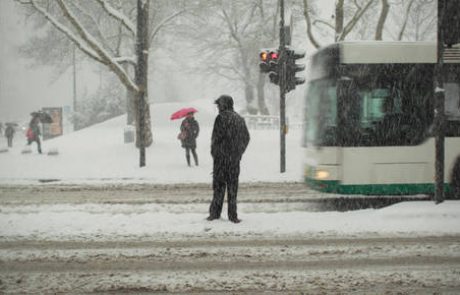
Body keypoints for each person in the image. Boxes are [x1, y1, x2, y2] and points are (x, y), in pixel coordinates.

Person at [207, 95, 250, 223]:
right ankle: (233, 215)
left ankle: (215, 213)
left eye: (219, 105)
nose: (218, 108)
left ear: (223, 105)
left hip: (221, 161)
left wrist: (215, 154)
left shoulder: (221, 118)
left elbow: (215, 139)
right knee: (232, 189)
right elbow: (246, 138)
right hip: (234, 161)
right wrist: (238, 153)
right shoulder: (239, 119)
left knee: (219, 188)